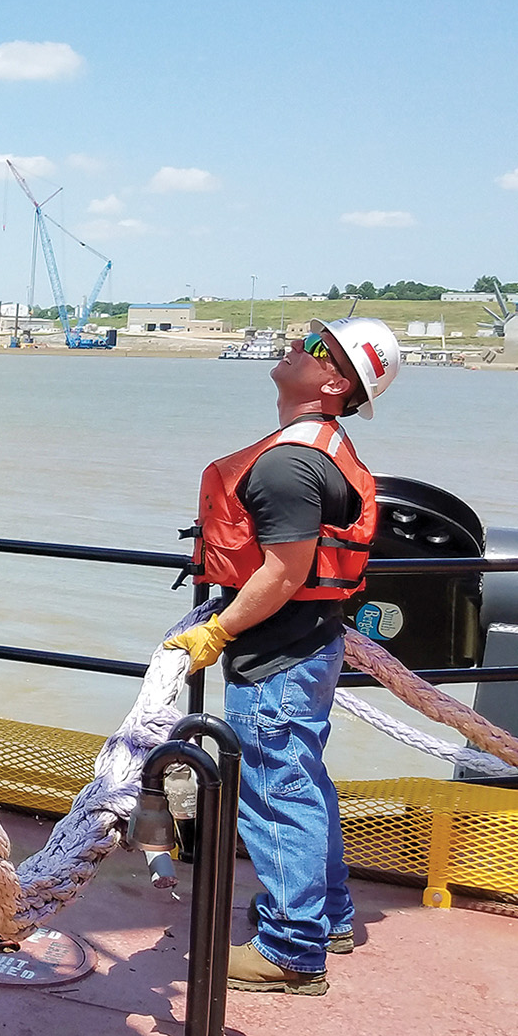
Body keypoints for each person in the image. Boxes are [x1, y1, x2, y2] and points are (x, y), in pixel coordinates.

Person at [165, 316, 402, 994]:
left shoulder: (288, 463)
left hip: (277, 657)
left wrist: (217, 632)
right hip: (311, 644)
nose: (296, 345)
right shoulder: (323, 446)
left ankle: (291, 951)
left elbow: (282, 571)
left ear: (334, 381)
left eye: (316, 347)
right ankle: (328, 918)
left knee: (275, 794)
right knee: (303, 782)